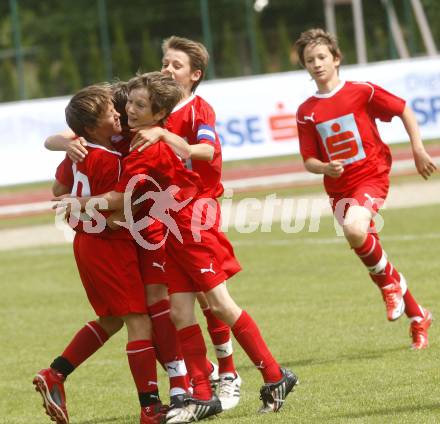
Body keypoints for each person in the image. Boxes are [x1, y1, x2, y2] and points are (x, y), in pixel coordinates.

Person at [55, 72, 298, 423]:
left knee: (220, 304)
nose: (130, 111)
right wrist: (65, 144)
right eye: (130, 104)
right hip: (170, 229)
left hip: (190, 226)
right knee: (179, 313)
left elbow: (121, 199)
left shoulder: (149, 145)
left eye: (141, 106)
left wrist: (78, 204)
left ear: (159, 113)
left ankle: (275, 376)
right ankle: (201, 395)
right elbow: (64, 137)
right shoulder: (136, 136)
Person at [294, 28, 436, 349]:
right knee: (368, 244)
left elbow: (403, 109)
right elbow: (308, 160)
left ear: (336, 59)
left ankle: (389, 288)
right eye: (309, 60)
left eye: (321, 57)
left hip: (370, 176)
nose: (316, 64)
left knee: (355, 229)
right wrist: (325, 167)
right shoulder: (306, 112)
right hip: (338, 188)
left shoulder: (361, 92)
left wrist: (417, 149)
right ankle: (418, 315)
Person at [33, 84, 167, 424]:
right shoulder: (108, 158)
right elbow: (117, 200)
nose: (119, 114)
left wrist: (79, 197)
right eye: (111, 113)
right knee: (138, 321)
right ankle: (150, 407)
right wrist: (104, 211)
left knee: (111, 320)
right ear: (93, 127)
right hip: (107, 243)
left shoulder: (79, 151)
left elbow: (59, 189)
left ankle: (56, 374)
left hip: (86, 244)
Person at [129, 36, 241, 410]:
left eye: (176, 65)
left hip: (198, 211)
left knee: (212, 298)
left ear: (195, 75)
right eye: (164, 62)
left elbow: (206, 151)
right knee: (178, 304)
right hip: (166, 216)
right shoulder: (153, 107)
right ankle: (196, 381)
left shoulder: (197, 111)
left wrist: (166, 135)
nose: (166, 69)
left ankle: (228, 372)